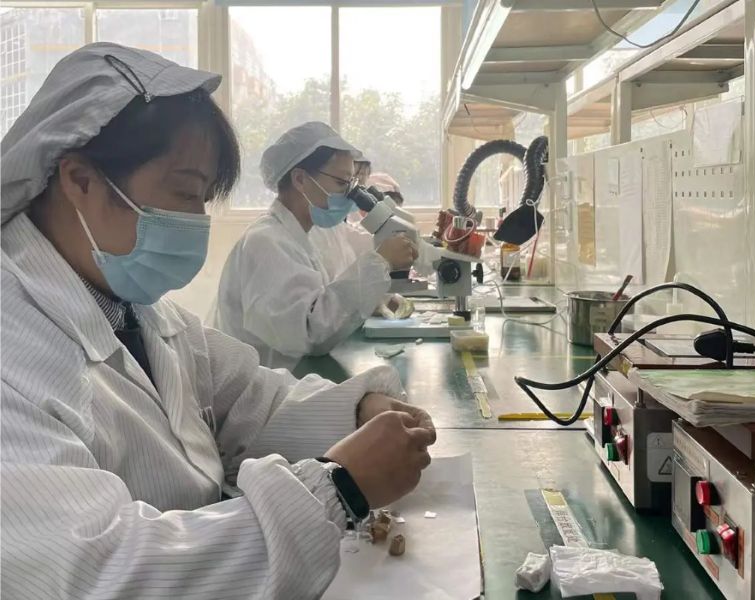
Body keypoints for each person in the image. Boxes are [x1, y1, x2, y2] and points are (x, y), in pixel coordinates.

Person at [1, 43, 435, 599]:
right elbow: (105, 573)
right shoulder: (14, 346)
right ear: (80, 179)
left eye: (204, 199)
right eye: (184, 193)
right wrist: (340, 489)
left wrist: (358, 411)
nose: (196, 222)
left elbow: (249, 399)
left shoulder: (135, 307)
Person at [212, 122, 418, 370]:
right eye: (343, 183)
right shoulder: (266, 242)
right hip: (260, 394)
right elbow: (310, 331)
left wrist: (369, 302)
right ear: (300, 179)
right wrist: (380, 263)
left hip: (287, 381)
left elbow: (321, 302)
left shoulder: (301, 236)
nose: (349, 195)